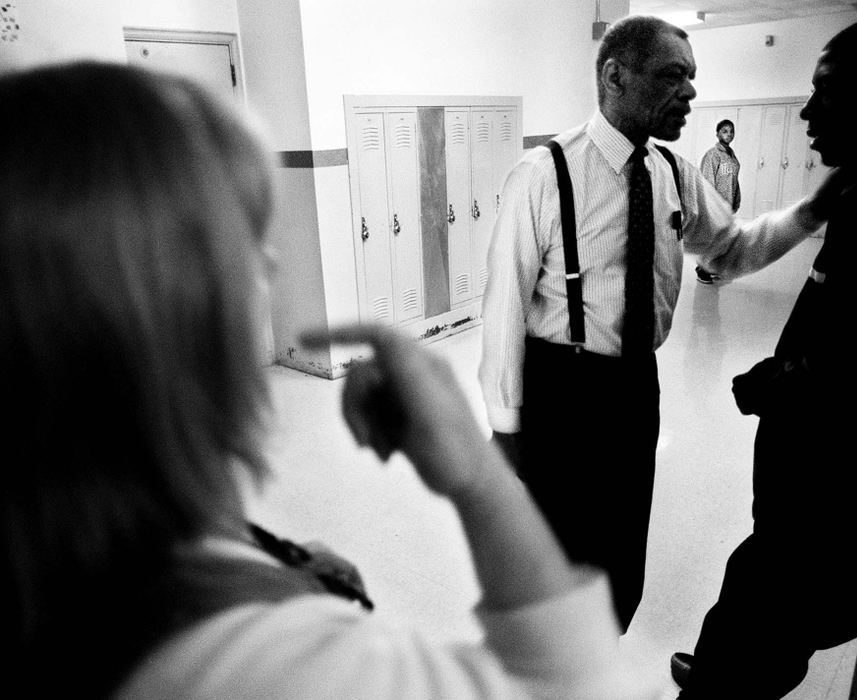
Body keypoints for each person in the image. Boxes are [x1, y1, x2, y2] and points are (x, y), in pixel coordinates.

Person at [0, 61, 660, 699]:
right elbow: (579, 684)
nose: (274, 265)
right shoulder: (276, 668)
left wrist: (273, 558)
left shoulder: (62, 550)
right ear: (166, 311)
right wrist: (476, 476)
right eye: (248, 244)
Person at [480, 14, 843, 633]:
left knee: (620, 540)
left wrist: (810, 213)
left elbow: (732, 247)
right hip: (559, 391)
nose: (690, 93)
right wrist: (506, 429)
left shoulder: (674, 174)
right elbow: (503, 311)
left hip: (633, 388)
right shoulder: (544, 176)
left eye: (692, 78)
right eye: (673, 76)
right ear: (615, 77)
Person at [671, 11, 857, 698]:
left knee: (764, 606)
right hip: (804, 492)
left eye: (825, 91)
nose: (806, 111)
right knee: (761, 611)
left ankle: (720, 680)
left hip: (827, 493)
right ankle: (726, 667)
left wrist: (774, 381)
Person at [695, 119, 741, 284]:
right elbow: (707, 182)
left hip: (726, 205)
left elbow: (734, 180)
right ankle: (702, 270)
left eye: (731, 131)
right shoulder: (712, 155)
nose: (728, 134)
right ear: (717, 133)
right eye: (724, 131)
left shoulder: (731, 155)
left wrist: (736, 201)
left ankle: (712, 268)